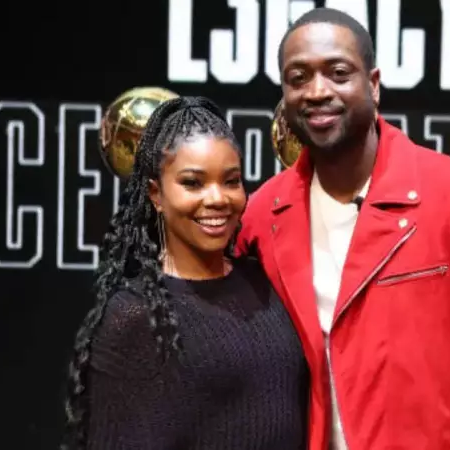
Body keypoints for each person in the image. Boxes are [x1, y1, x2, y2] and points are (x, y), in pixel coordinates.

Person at [237, 8, 450, 450]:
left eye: (338, 73)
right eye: (298, 78)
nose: (317, 91)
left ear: (373, 85)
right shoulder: (262, 214)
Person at [60, 97, 308, 450]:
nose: (217, 198)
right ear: (156, 194)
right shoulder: (136, 316)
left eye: (231, 181)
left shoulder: (263, 282)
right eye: (193, 183)